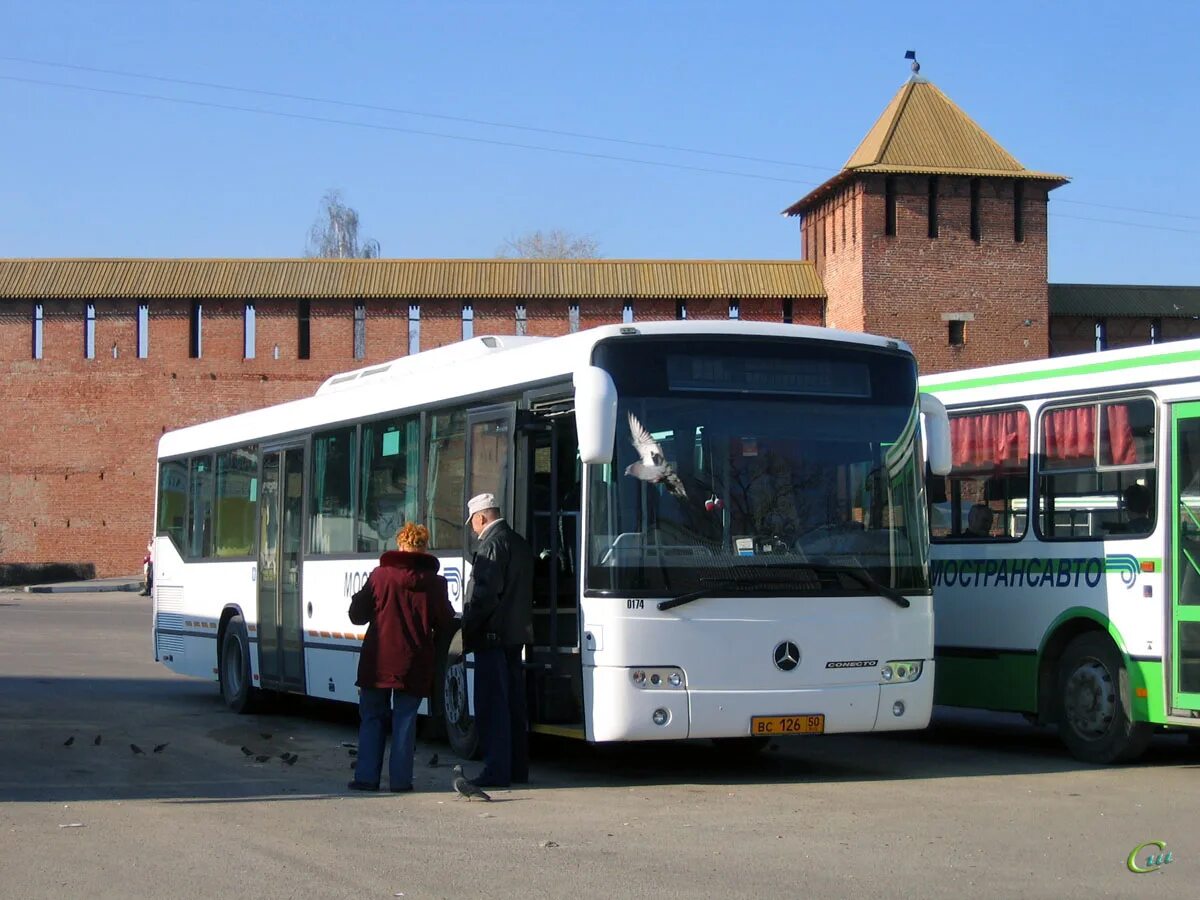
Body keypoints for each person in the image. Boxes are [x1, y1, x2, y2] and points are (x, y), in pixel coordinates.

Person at [347, 522, 453, 793]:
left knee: (372, 718)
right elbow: (446, 622)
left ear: (400, 545)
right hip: (415, 662)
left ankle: (367, 778)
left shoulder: (381, 576)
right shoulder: (436, 583)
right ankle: (400, 781)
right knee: (405, 721)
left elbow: (357, 615)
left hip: (378, 660)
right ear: (424, 547)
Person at [461, 492, 534, 788]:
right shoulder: (519, 543)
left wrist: (469, 625)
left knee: (492, 706)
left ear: (481, 518)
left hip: (492, 637)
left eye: (473, 524)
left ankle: (496, 770)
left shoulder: (491, 545)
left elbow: (485, 595)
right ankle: (517, 768)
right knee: (514, 706)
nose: (473, 530)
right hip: (516, 637)